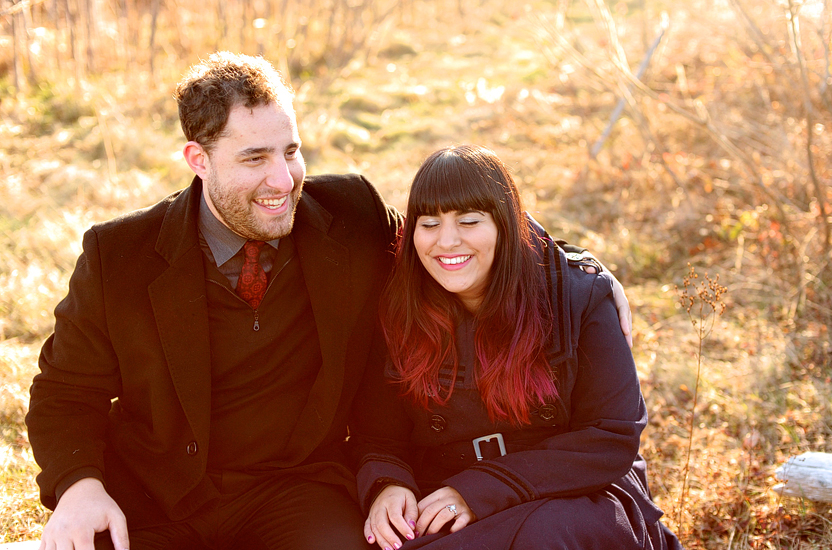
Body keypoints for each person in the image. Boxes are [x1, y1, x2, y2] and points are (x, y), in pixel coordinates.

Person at [27, 54, 631, 550]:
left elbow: (456, 236)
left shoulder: (348, 215)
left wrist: (586, 272)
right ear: (198, 160)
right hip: (156, 496)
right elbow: (63, 393)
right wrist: (80, 485)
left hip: (299, 492)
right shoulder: (120, 255)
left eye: (290, 151)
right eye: (254, 158)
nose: (283, 180)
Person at [352, 145, 681, 550]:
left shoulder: (573, 296)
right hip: (444, 494)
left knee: (543, 538)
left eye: (469, 221)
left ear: (505, 226)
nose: (447, 241)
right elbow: (377, 436)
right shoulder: (399, 308)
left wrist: (482, 489)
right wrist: (388, 482)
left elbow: (610, 436)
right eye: (430, 223)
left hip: (575, 493)